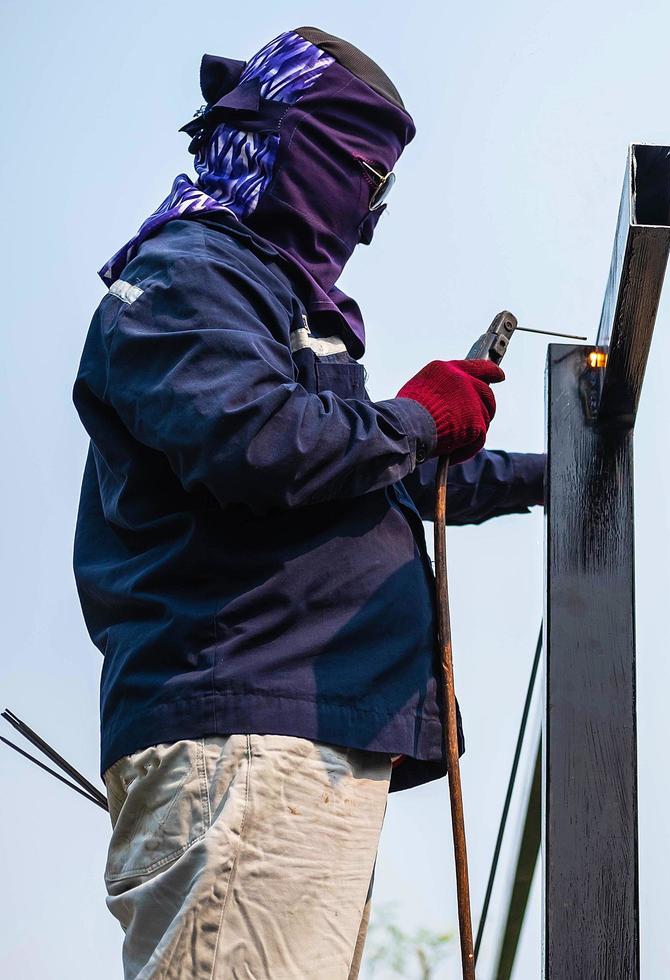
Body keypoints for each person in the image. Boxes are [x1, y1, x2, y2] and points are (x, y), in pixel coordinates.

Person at [71, 28, 542, 979]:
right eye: (366, 183)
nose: (368, 222)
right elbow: (257, 445)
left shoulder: (256, 299)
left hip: (286, 748)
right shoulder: (187, 274)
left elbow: (366, 467)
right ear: (303, 151)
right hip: (245, 740)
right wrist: (416, 418)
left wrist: (551, 473)